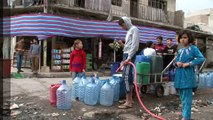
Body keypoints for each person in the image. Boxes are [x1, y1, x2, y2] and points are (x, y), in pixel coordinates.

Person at [175, 31, 205, 120]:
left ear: (189, 39)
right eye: (181, 38)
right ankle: (185, 116)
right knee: (183, 99)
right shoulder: (180, 50)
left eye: (185, 37)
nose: (182, 40)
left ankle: (186, 117)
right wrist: (177, 63)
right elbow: (176, 61)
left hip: (187, 76)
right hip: (179, 76)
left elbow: (201, 58)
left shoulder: (193, 48)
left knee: (187, 100)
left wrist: (189, 63)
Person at [117, 16, 139, 109]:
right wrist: (122, 45)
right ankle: (129, 99)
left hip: (129, 55)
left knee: (125, 77)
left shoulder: (134, 29)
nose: (122, 28)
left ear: (126, 22)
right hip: (126, 54)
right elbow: (129, 45)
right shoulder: (129, 31)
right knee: (128, 77)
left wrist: (129, 58)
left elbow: (134, 45)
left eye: (122, 25)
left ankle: (128, 102)